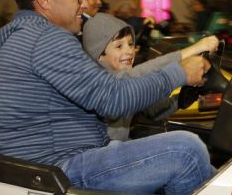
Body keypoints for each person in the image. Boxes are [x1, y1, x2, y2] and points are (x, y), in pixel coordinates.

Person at [0, 0, 215, 195]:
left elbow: (109, 90)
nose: (84, 4)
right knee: (185, 151)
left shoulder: (19, 37)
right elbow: (115, 99)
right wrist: (179, 73)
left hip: (57, 163)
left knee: (209, 171)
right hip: (58, 170)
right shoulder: (44, 39)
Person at [82, 12, 219, 141]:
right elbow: (135, 75)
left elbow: (151, 111)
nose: (129, 51)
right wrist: (192, 51)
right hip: (102, 155)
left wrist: (181, 99)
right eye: (119, 46)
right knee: (187, 143)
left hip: (119, 147)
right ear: (99, 55)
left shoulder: (126, 79)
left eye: (130, 44)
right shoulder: (98, 83)